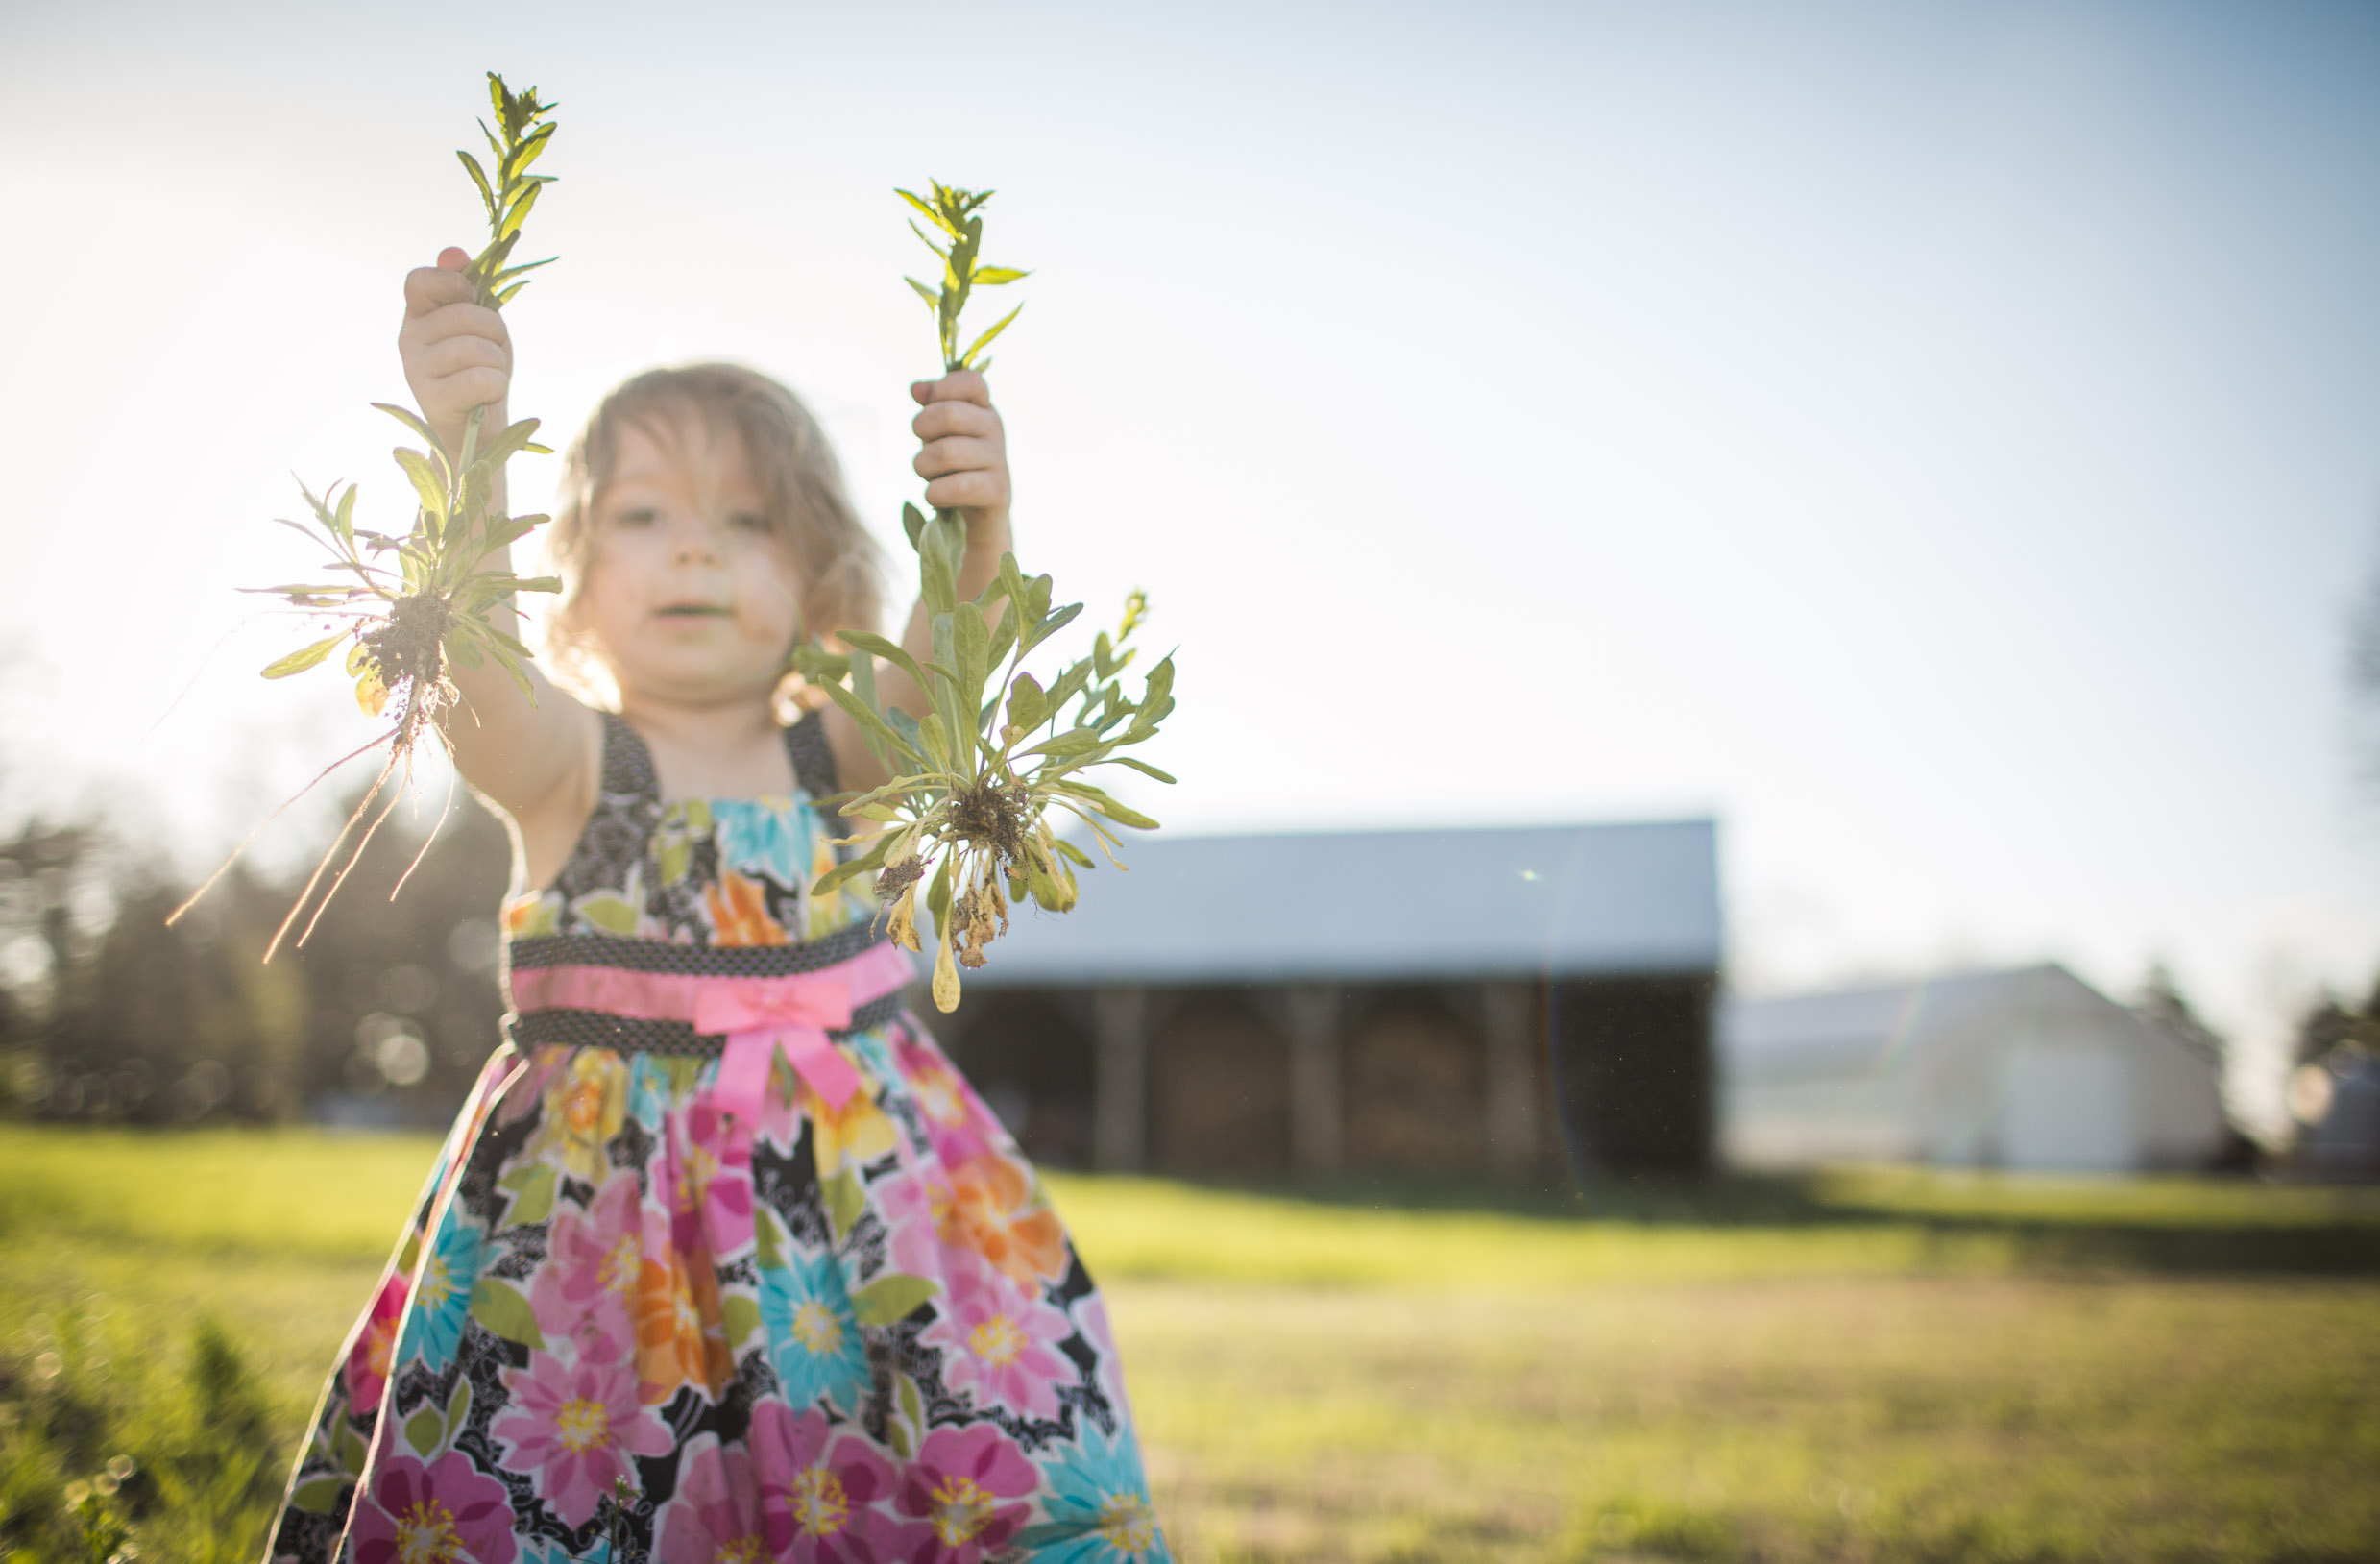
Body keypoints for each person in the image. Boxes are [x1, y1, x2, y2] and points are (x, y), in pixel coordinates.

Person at [266, 248, 1168, 1564]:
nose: (692, 544)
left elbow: (947, 681)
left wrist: (980, 535)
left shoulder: (847, 761)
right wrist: (469, 459)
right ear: (563, 570)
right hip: (599, 1268)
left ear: (819, 582)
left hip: (863, 1252)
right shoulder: (574, 769)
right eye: (640, 516)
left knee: (942, 1502)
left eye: (745, 521)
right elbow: (471, 676)